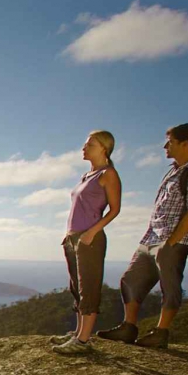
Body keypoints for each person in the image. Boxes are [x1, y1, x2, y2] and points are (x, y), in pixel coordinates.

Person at [98, 123, 188, 348]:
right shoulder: (173, 170)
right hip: (151, 238)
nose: (165, 146)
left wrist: (170, 243)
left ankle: (161, 332)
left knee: (169, 286)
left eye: (170, 141)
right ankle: (129, 327)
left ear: (185, 143)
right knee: (130, 279)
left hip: (174, 240)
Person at [52, 130, 122, 355]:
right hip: (73, 237)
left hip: (89, 237)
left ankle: (83, 341)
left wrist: (92, 232)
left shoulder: (108, 174)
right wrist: (69, 236)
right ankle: (77, 332)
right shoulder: (86, 175)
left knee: (88, 288)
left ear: (104, 147)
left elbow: (115, 209)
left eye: (89, 144)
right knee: (76, 288)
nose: (84, 148)